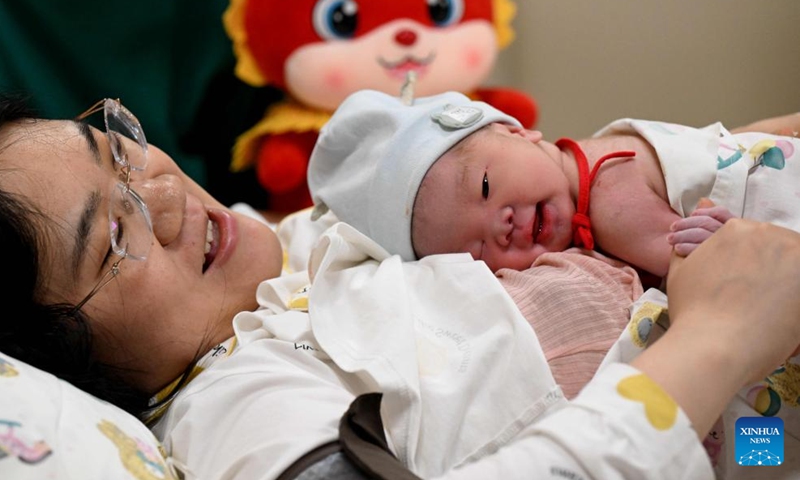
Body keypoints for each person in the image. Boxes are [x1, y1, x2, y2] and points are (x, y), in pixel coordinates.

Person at [3, 93, 800, 480]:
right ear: (65, 360)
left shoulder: (290, 245)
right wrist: (717, 341)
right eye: (111, 236)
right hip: (751, 424)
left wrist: (722, 156)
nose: (169, 194)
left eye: (119, 152)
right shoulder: (241, 404)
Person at [307, 89, 800, 279]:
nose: (500, 226)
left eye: (482, 187)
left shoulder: (609, 198)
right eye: (477, 250)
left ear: (515, 130)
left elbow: (719, 280)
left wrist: (713, 248)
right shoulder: (588, 154)